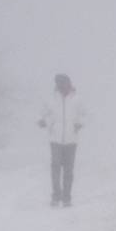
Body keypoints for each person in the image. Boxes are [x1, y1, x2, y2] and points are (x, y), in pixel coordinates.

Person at [38, 73, 85, 207]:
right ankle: (56, 196)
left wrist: (79, 123)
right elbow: (44, 114)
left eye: (63, 83)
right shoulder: (51, 99)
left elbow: (85, 115)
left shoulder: (77, 99)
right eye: (58, 84)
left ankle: (67, 198)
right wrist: (45, 122)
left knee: (68, 170)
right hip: (55, 139)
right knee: (55, 167)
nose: (61, 86)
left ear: (68, 83)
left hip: (71, 139)